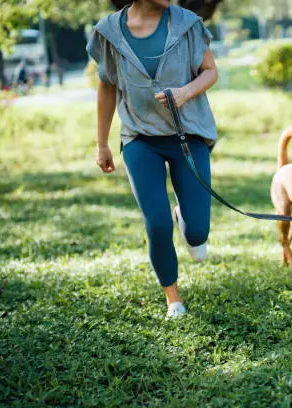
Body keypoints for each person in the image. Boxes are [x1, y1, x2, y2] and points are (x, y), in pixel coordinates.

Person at [86, 0, 219, 318]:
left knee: (198, 232)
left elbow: (210, 71)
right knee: (156, 223)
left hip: (189, 135)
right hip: (139, 139)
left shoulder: (188, 24)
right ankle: (173, 299)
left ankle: (184, 217)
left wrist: (185, 93)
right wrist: (102, 143)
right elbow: (107, 86)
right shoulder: (109, 32)